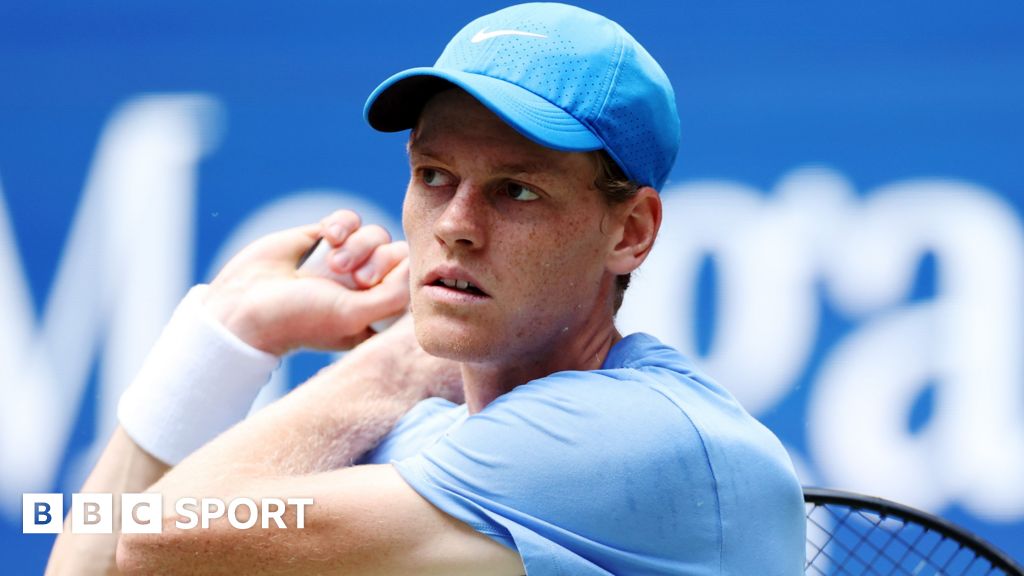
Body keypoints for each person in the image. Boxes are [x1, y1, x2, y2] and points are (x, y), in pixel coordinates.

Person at [47, 3, 806, 574]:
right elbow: (112, 558)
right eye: (433, 176)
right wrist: (229, 339)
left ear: (631, 231)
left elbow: (156, 539)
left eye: (517, 190)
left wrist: (396, 362)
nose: (456, 224)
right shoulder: (420, 448)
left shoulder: (647, 441)